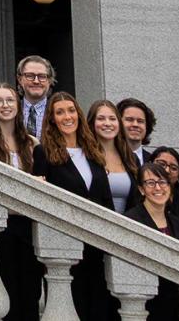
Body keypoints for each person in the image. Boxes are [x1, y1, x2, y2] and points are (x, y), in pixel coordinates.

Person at [33, 91, 113, 321]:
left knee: (98, 307)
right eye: (59, 112)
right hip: (64, 244)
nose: (67, 117)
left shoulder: (93, 151)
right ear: (51, 119)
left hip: (96, 244)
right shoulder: (43, 153)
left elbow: (105, 199)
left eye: (71, 111)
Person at [0, 83, 41, 321]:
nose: (5, 106)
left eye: (10, 100)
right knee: (7, 285)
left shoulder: (33, 143)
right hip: (2, 225)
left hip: (29, 226)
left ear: (18, 105)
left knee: (30, 289)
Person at [126, 163, 179, 321]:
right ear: (141, 189)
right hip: (147, 301)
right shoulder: (132, 220)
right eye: (150, 183)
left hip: (174, 299)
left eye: (162, 182)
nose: (158, 188)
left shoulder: (176, 222)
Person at [87, 98, 139, 213]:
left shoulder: (131, 158)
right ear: (92, 123)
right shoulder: (85, 156)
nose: (107, 123)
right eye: (101, 119)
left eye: (112, 119)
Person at [16, 55, 55, 137]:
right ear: (20, 80)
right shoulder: (12, 110)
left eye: (42, 76)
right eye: (30, 76)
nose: (36, 81)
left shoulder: (57, 111)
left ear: (49, 80)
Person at [117, 98, 157, 165]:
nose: (135, 124)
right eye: (129, 119)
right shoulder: (107, 158)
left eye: (140, 121)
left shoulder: (153, 162)